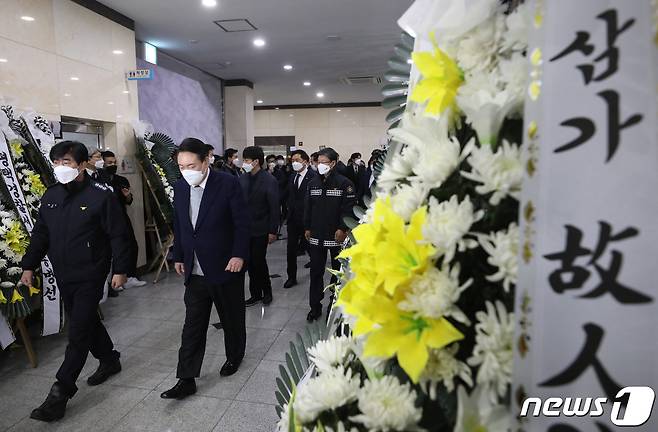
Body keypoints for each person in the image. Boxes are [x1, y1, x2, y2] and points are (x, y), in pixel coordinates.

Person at [20, 141, 130, 422]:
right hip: (64, 273)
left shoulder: (101, 195)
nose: (61, 168)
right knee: (86, 321)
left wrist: (121, 269)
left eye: (66, 162)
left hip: (91, 273)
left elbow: (118, 235)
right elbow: (41, 234)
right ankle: (109, 359)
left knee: (78, 331)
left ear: (82, 165)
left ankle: (61, 392)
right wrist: (28, 266)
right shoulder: (51, 196)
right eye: (56, 162)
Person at [161, 137, 250, 400]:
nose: (186, 171)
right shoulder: (179, 187)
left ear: (206, 161)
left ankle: (234, 356)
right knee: (192, 325)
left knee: (231, 318)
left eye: (191, 165)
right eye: (181, 166)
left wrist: (238, 255)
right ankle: (186, 379)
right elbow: (180, 224)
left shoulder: (227, 183)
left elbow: (242, 223)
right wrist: (178, 255)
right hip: (194, 269)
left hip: (225, 266)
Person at [304, 147, 356, 321]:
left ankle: (333, 306)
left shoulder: (345, 184)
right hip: (316, 236)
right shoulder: (312, 184)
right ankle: (315, 307)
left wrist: (343, 228)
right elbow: (308, 208)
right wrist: (307, 227)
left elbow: (348, 210)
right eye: (318, 162)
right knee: (316, 273)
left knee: (337, 273)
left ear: (333, 163)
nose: (320, 165)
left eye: (324, 162)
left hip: (336, 236)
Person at [240, 146, 279, 306]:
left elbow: (275, 208)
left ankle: (267, 292)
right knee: (249, 263)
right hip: (245, 229)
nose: (244, 163)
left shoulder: (269, 180)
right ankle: (255, 294)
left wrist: (272, 231)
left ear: (256, 161)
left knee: (259, 261)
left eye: (247, 160)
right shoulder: (242, 178)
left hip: (261, 228)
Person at [101, 151, 147, 290]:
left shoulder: (121, 180)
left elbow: (129, 201)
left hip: (121, 216)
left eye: (114, 162)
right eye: (109, 163)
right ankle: (114, 281)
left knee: (131, 245)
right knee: (111, 249)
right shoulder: (98, 181)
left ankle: (130, 276)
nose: (113, 165)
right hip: (104, 220)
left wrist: (127, 196)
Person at [284, 149, 315, 288]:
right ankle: (291, 277)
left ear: (306, 161)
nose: (294, 163)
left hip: (307, 219)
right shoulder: (292, 176)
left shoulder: (314, 176)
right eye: (292, 160)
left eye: (297, 160)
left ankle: (315, 269)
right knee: (291, 249)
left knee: (310, 247)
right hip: (292, 219)